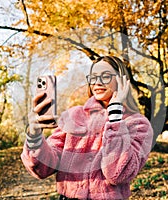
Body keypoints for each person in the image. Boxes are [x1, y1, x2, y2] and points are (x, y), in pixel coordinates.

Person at [21, 56, 153, 199]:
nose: (97, 82)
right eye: (93, 77)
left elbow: (117, 174)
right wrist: (34, 135)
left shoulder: (138, 124)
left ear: (122, 81)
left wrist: (115, 115)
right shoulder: (73, 115)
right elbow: (43, 169)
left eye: (106, 76)